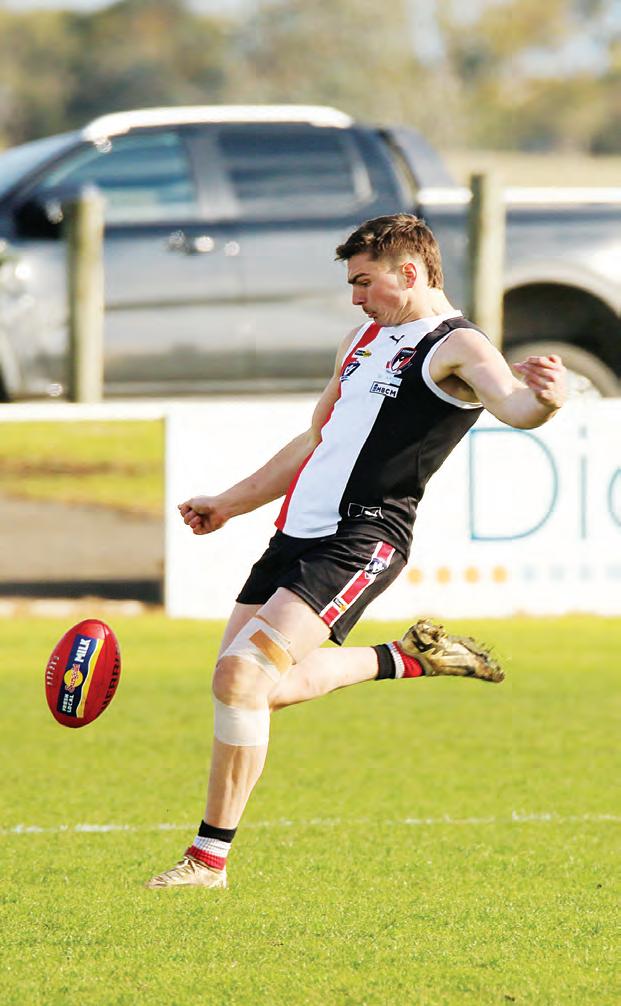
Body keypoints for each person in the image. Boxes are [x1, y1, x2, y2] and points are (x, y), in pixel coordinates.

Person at [147, 213, 566, 889]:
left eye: (364, 282)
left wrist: (547, 401)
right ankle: (402, 659)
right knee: (248, 687)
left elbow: (515, 407)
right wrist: (229, 503)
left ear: (410, 272)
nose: (354, 297)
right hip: (295, 535)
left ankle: (207, 861)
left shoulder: (457, 345)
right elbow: (314, 439)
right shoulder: (361, 340)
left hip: (362, 539)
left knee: (241, 680)